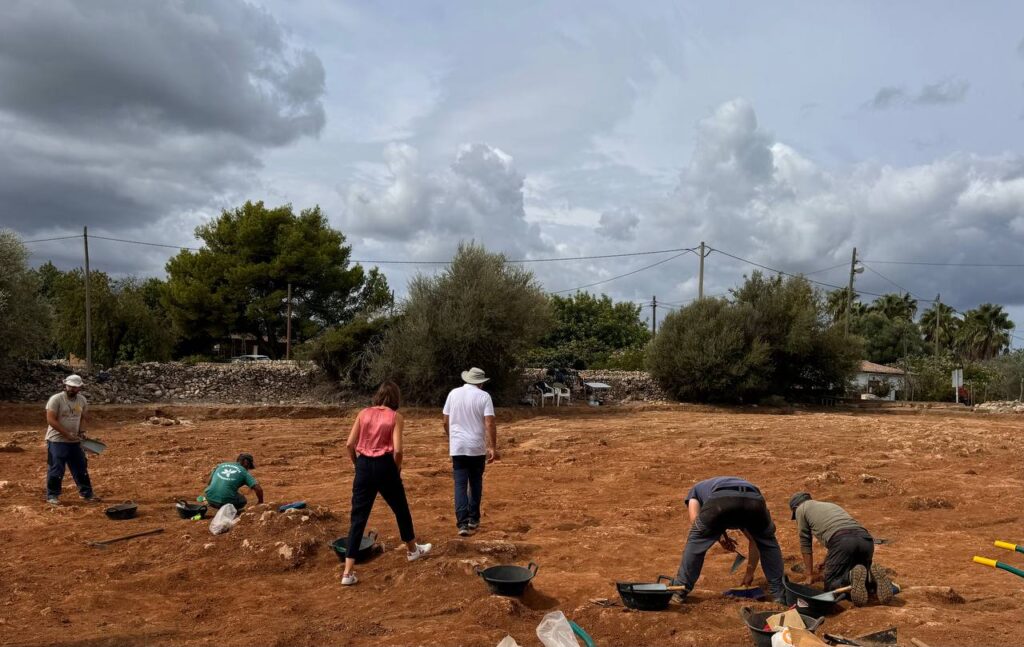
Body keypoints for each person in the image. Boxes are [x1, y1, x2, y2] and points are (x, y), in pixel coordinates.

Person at [341, 381, 432, 586]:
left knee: (358, 517)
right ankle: (412, 550)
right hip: (385, 465)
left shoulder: (363, 413)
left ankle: (347, 572)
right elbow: (398, 450)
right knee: (400, 508)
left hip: (363, 465)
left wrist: (358, 464)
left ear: (378, 395)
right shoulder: (396, 417)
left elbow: (349, 444)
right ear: (395, 398)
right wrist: (396, 469)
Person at [673, 476, 786, 604]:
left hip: (722, 501)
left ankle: (679, 591)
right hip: (754, 499)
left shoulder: (694, 492)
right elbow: (754, 540)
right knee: (767, 541)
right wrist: (749, 573)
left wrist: (718, 536)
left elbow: (697, 523)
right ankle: (779, 594)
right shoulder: (727, 485)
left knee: (696, 538)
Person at [789, 492, 893, 606]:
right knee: (860, 576)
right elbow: (841, 531)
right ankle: (872, 580)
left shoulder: (800, 509)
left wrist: (809, 575)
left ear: (795, 508)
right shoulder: (830, 505)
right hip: (866, 540)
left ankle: (849, 579)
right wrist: (826, 560)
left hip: (844, 542)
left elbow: (805, 543)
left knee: (831, 585)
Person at [442, 367, 499, 536]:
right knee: (475, 483)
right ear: (480, 382)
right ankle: (474, 519)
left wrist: (452, 437)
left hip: (458, 447)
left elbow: (445, 420)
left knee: (460, 484)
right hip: (476, 447)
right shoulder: (484, 397)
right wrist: (493, 447)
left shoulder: (453, 393)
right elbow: (489, 423)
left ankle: (462, 524)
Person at [45, 375, 98, 505]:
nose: (72, 389)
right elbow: (51, 420)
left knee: (81, 467)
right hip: (57, 440)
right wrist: (66, 434)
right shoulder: (56, 399)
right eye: (70, 386)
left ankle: (87, 494)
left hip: (75, 441)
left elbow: (83, 417)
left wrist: (82, 431)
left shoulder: (82, 400)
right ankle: (52, 495)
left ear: (79, 388)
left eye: (75, 387)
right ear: (66, 385)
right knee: (56, 468)